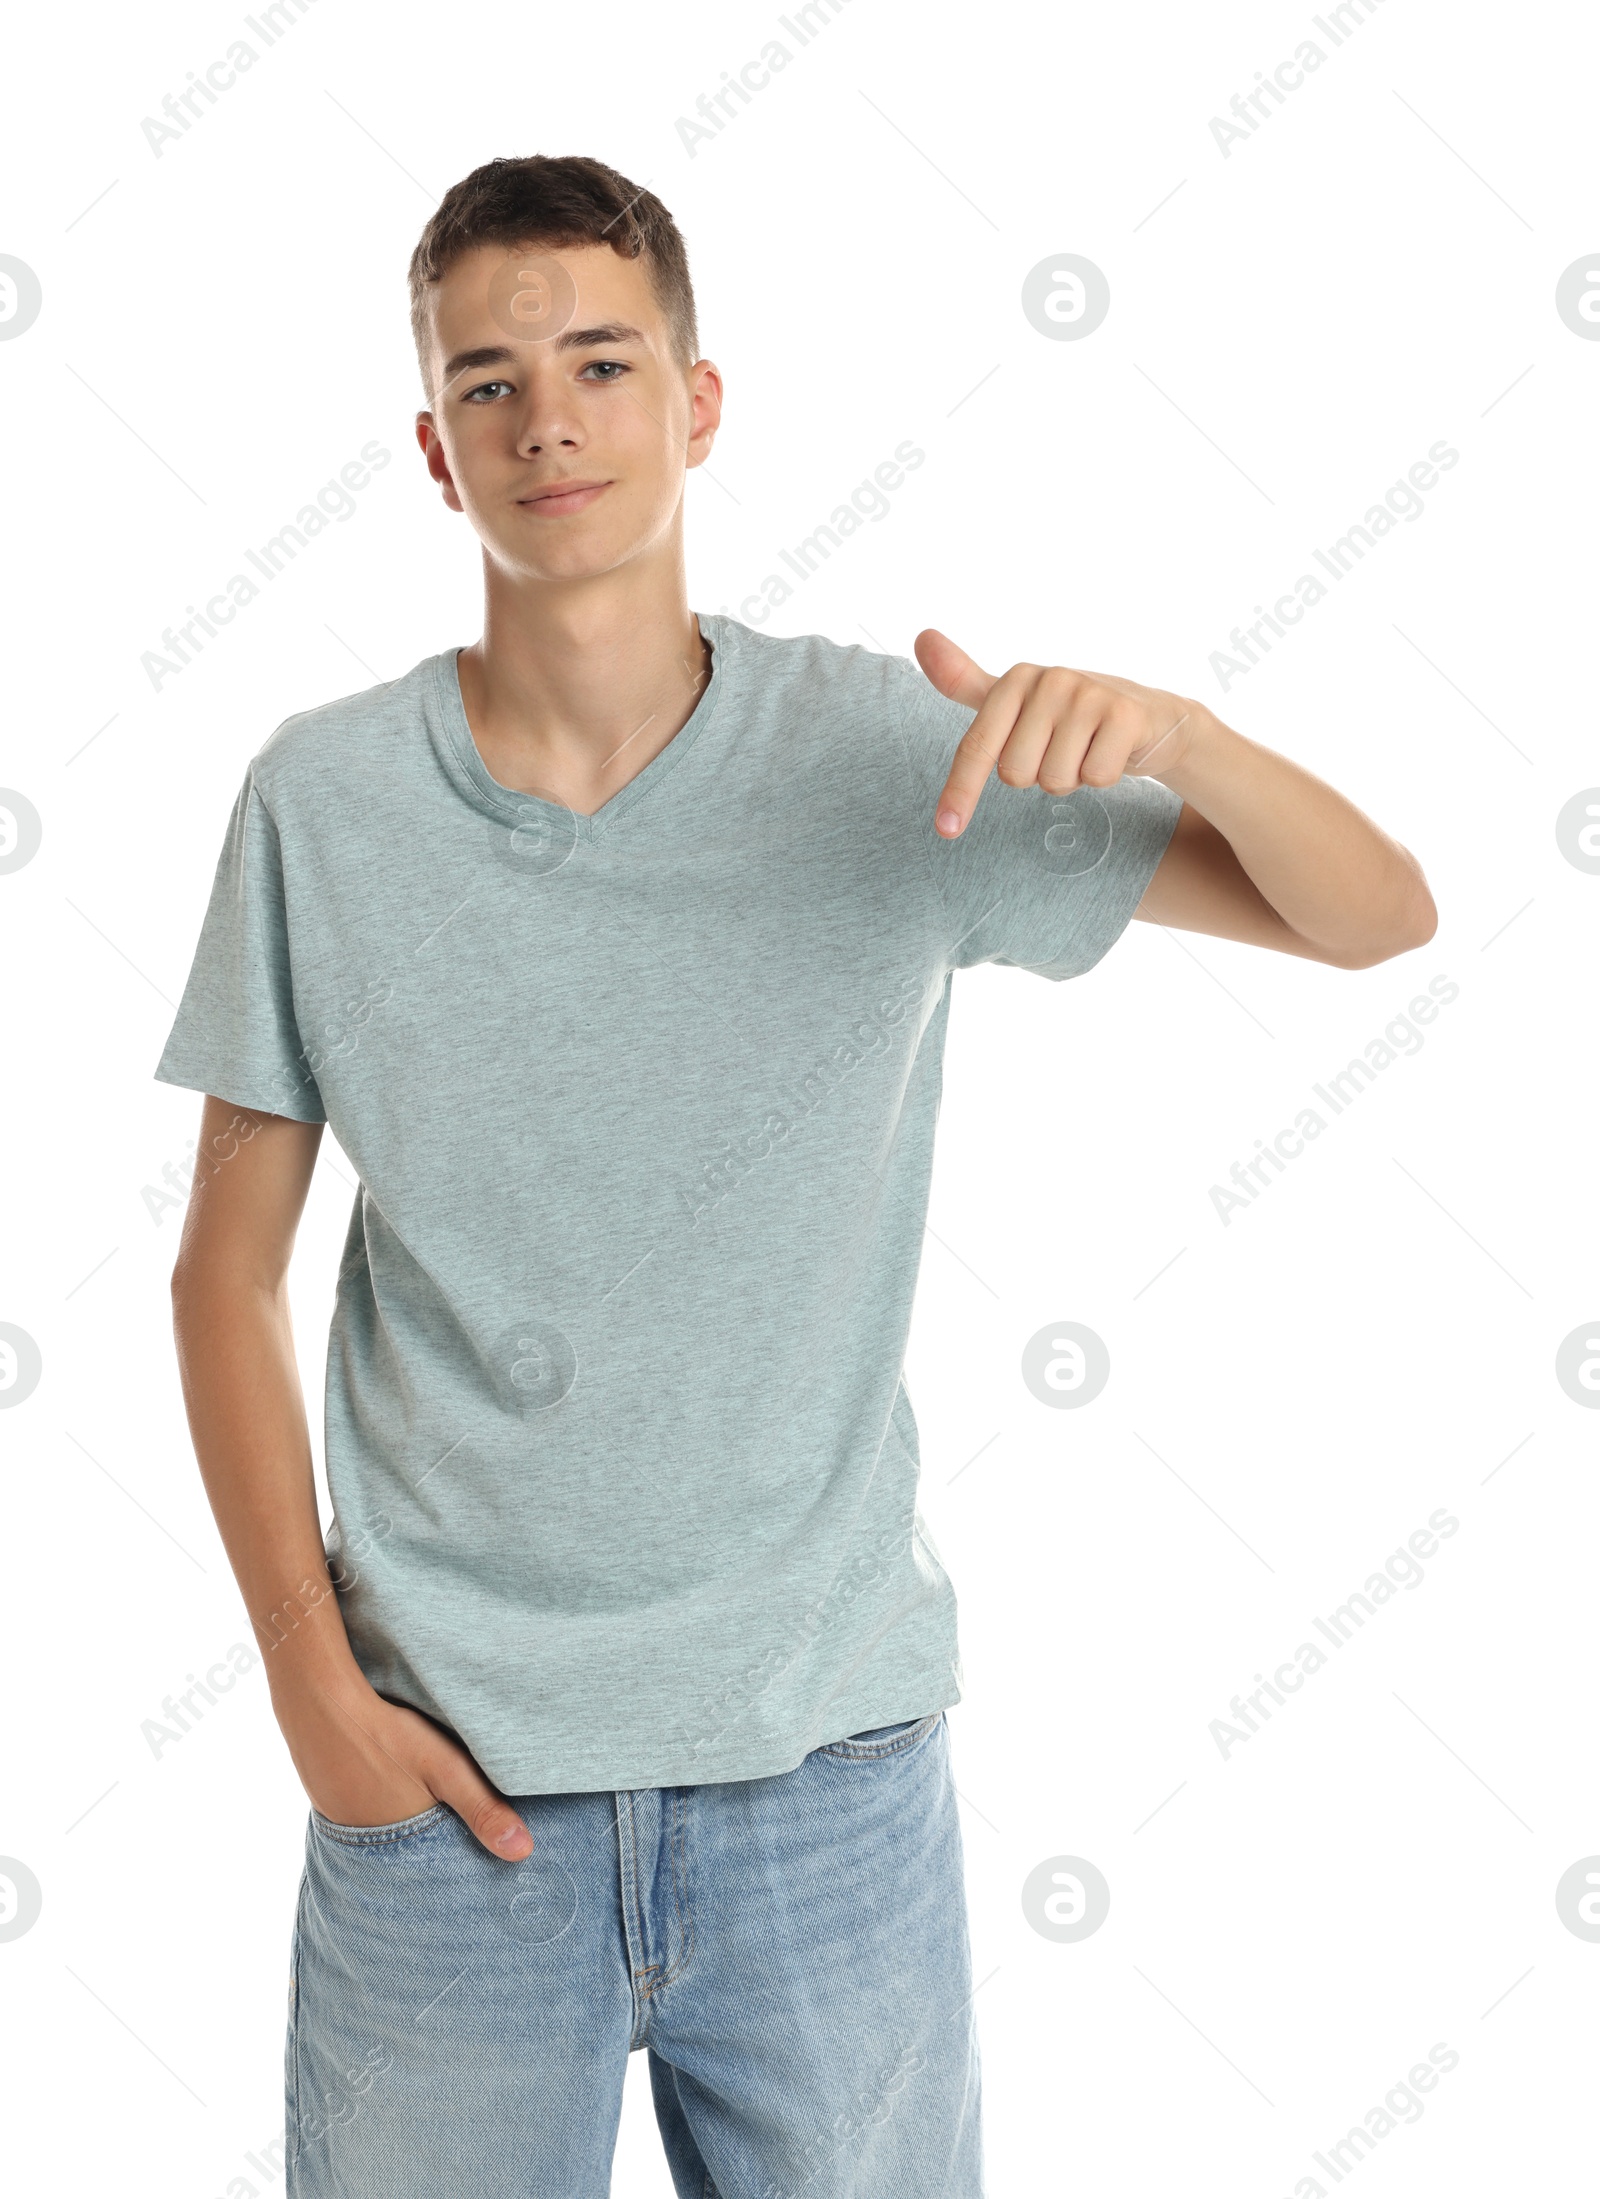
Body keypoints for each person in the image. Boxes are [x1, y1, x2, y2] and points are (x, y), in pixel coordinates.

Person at [157, 153, 1436, 2198]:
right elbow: (224, 1275)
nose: (545, 418)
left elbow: (1370, 916)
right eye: (486, 383)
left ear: (698, 401)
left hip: (824, 1786)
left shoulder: (881, 757)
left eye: (596, 360)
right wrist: (312, 1688)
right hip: (446, 1791)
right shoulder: (320, 799)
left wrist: (1179, 732)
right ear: (429, 448)